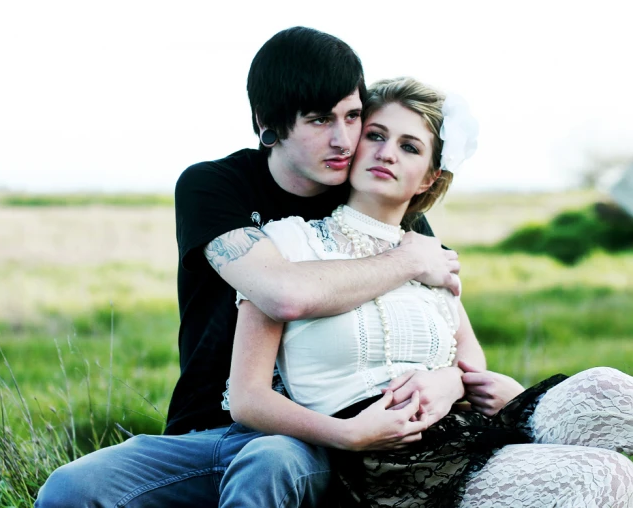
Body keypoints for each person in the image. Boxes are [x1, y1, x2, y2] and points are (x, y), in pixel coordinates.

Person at [36, 28, 463, 507]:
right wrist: (405, 260)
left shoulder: (371, 198)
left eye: (353, 116)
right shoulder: (215, 186)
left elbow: (441, 326)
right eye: (320, 120)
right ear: (269, 123)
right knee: (73, 488)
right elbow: (283, 293)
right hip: (210, 425)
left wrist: (448, 380)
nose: (344, 140)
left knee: (271, 462)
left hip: (310, 429)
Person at [228, 77, 633, 507]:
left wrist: (451, 381)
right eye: (376, 136)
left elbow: (470, 359)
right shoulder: (286, 243)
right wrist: (347, 435)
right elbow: (247, 399)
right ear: (352, 145)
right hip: (386, 461)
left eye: (410, 147)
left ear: (428, 178)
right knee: (605, 475)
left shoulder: (432, 256)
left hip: (462, 430)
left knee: (607, 390)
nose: (387, 153)